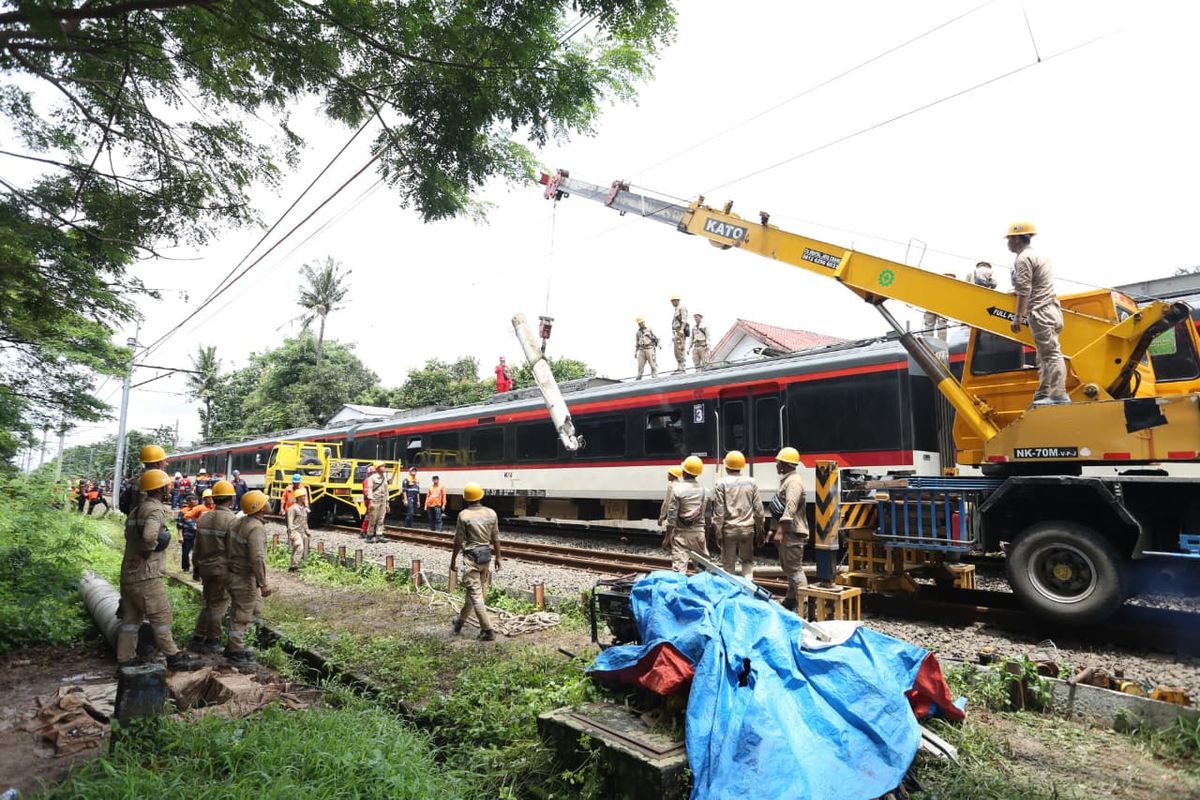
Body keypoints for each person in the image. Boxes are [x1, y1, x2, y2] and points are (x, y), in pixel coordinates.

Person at [116, 469, 199, 672]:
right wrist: (150, 549)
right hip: (146, 574)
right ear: (160, 488)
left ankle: (125, 659)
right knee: (161, 616)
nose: (170, 487)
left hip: (129, 572)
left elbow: (130, 535)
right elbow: (148, 536)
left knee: (131, 619)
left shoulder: (137, 509)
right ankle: (173, 656)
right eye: (167, 485)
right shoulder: (155, 509)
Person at [1007, 221, 1069, 406]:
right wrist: (1017, 290)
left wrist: (1018, 316)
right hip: (1052, 310)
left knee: (1050, 354)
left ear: (1017, 238)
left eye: (1009, 239)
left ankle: (1058, 394)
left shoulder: (1023, 258)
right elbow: (1036, 284)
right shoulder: (1039, 256)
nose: (1008, 243)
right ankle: (1043, 395)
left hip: (1040, 312)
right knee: (1043, 357)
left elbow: (1025, 290)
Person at [188, 480, 238, 653]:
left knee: (209, 603)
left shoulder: (204, 518)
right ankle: (213, 640)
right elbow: (234, 551)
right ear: (231, 498)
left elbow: (197, 547)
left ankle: (198, 637)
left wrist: (195, 567)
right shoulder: (232, 521)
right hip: (222, 570)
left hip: (205, 568)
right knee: (219, 605)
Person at [449, 482, 502, 642]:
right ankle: (460, 622)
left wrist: (453, 561)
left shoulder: (464, 515)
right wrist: (498, 557)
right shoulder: (491, 513)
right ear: (481, 496)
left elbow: (458, 541)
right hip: (486, 557)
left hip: (471, 558)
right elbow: (496, 537)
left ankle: (488, 631)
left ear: (466, 499)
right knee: (473, 594)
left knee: (476, 595)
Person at [225, 490, 272, 663]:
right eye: (264, 501)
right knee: (242, 614)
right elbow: (257, 558)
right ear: (259, 507)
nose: (268, 502)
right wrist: (263, 583)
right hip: (244, 577)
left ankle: (240, 644)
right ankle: (235, 650)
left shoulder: (238, 522)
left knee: (253, 608)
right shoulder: (255, 528)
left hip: (233, 573)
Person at [767, 446, 809, 612]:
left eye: (778, 462)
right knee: (789, 568)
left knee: (795, 569)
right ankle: (791, 600)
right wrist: (772, 529)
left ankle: (803, 605)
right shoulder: (787, 480)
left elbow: (789, 508)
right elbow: (779, 508)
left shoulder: (794, 483)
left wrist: (780, 531)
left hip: (792, 532)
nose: (776, 465)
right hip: (788, 531)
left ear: (784, 464)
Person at [711, 451, 765, 579]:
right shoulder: (751, 482)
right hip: (747, 529)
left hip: (729, 530)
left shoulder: (721, 483)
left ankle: (731, 593)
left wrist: (717, 531)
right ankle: (749, 587)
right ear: (742, 466)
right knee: (747, 562)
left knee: (728, 567)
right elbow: (759, 509)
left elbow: (719, 511)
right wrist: (760, 531)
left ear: (726, 466)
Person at [663, 455, 710, 573]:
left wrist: (667, 537)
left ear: (684, 472)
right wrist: (706, 536)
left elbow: (672, 517)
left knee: (679, 571)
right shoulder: (705, 491)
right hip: (699, 534)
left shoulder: (677, 490)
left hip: (681, 535)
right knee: (703, 571)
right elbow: (708, 517)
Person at [177, 493, 204, 573]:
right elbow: (179, 525)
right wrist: (180, 536)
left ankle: (197, 569)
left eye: (196, 500)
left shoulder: (200, 510)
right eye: (194, 500)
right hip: (187, 535)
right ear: (188, 502)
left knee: (198, 553)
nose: (196, 501)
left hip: (198, 535)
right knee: (185, 553)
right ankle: (186, 568)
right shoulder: (183, 511)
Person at [286, 488, 310, 572]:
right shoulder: (293, 509)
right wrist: (291, 532)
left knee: (296, 548)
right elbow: (290, 521)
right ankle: (295, 566)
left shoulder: (303, 509)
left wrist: (307, 531)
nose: (304, 498)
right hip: (295, 531)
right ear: (298, 497)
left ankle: (292, 566)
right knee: (300, 547)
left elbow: (304, 521)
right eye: (303, 496)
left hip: (301, 531)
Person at [365, 462, 389, 543]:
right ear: (378, 468)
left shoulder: (384, 478)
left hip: (383, 501)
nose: (384, 467)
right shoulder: (372, 478)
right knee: (373, 518)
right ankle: (369, 535)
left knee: (381, 519)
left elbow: (386, 490)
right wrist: (371, 501)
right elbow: (369, 490)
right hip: (375, 501)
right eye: (383, 466)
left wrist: (387, 502)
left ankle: (379, 535)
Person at [670, 294, 689, 373]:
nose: (672, 302)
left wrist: (681, 330)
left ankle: (682, 367)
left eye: (674, 301)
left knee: (680, 349)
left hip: (679, 331)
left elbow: (684, 319)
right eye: (672, 301)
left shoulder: (682, 308)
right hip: (676, 332)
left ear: (677, 300)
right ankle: (679, 366)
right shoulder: (676, 309)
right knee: (676, 351)